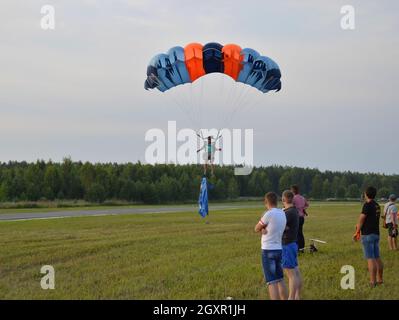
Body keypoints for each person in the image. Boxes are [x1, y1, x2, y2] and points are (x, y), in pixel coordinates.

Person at [254, 192, 288, 300]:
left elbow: (256, 228)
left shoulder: (268, 214)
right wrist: (264, 229)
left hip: (268, 250)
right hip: (279, 249)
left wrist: (262, 229)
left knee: (271, 282)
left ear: (266, 202)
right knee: (280, 279)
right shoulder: (282, 213)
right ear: (277, 201)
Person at [353, 186, 383, 287]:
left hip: (368, 234)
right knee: (377, 257)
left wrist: (357, 231)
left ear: (366, 194)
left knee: (370, 258)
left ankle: (372, 281)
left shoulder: (367, 204)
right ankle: (380, 279)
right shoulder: (377, 205)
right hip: (376, 234)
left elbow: (362, 218)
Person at [281, 190, 302, 300]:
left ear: (283, 199)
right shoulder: (293, 211)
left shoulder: (287, 213)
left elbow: (280, 227)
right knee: (296, 272)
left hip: (287, 245)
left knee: (291, 274)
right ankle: (297, 296)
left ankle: (291, 298)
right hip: (292, 243)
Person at [291, 185, 309, 252]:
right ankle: (302, 248)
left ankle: (297, 248)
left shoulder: (293, 198)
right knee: (300, 233)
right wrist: (303, 209)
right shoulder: (302, 198)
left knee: (296, 233)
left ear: (293, 190)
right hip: (302, 217)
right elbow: (307, 205)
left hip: (296, 217)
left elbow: (291, 206)